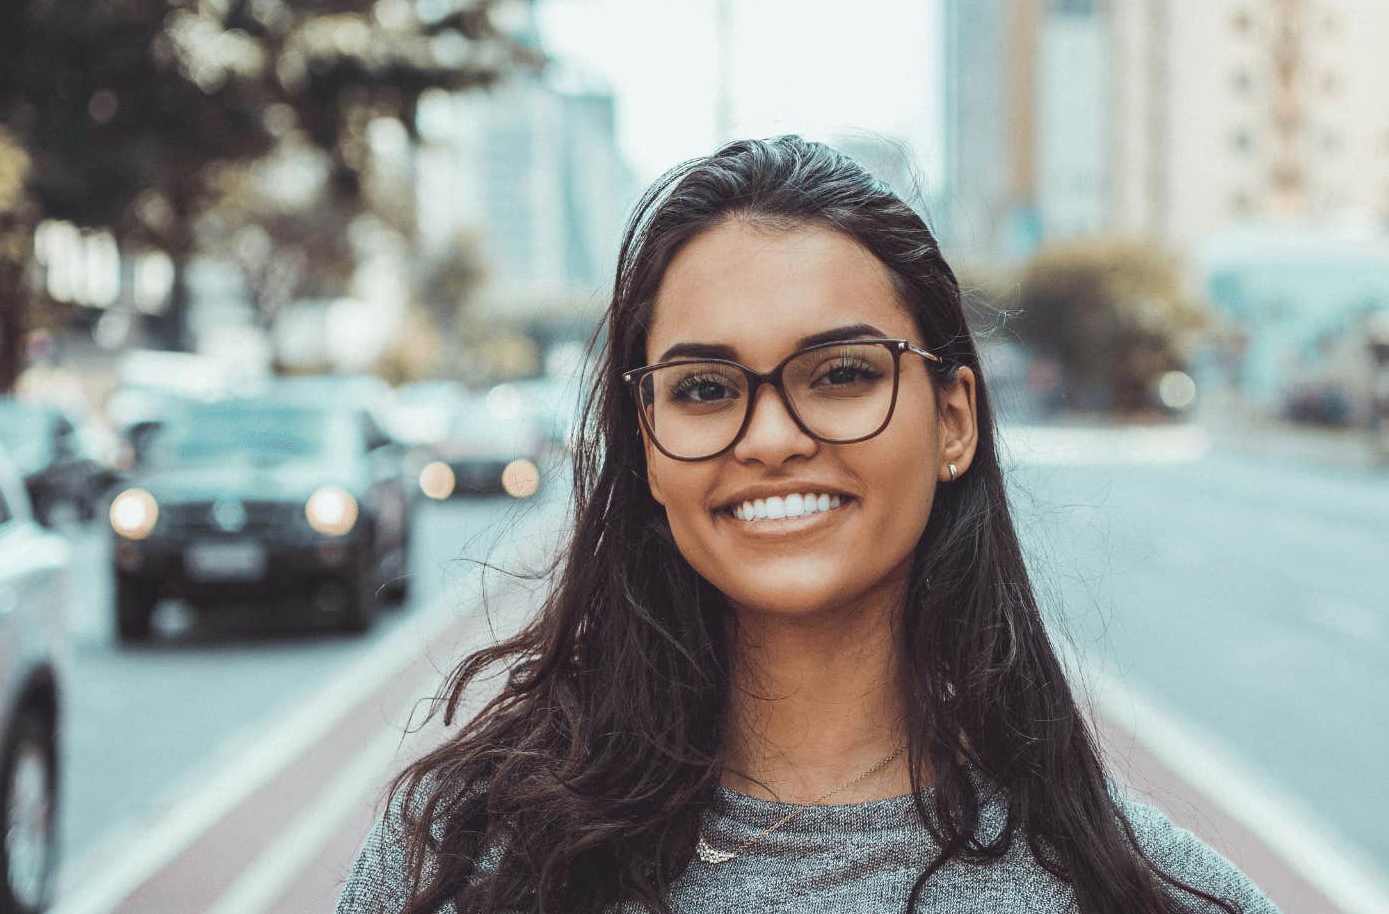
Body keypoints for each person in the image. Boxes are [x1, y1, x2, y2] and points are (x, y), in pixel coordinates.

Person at [337, 136, 1280, 913]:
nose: (773, 438)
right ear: (649, 443)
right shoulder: (456, 859)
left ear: (953, 420)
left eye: (841, 375)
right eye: (705, 389)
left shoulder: (1149, 897)